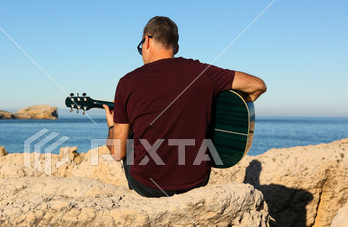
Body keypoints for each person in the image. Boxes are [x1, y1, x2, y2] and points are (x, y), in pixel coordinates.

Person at [103, 16, 266, 198]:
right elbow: (258, 85)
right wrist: (222, 112)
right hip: (196, 182)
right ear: (176, 48)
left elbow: (117, 153)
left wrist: (112, 126)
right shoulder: (203, 73)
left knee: (130, 134)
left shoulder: (127, 83)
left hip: (148, 187)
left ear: (147, 41)